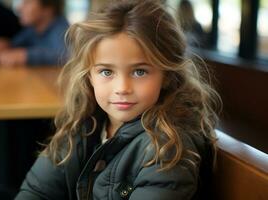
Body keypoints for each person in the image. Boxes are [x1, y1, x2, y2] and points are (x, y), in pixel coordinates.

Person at [15, 0, 221, 199]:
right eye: (106, 72)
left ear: (166, 75)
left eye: (140, 72)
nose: (122, 88)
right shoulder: (83, 124)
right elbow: (37, 192)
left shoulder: (168, 150)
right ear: (89, 76)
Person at [0, 0, 68, 66]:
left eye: (27, 2)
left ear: (48, 9)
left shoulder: (61, 29)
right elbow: (15, 44)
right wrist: (3, 45)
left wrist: (26, 56)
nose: (19, 8)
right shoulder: (32, 29)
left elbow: (65, 55)